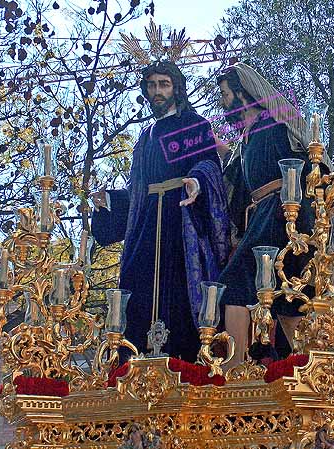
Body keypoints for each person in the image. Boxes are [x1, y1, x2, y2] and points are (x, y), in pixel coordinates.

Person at [90, 61, 230, 361]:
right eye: (152, 85)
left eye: (164, 84)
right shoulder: (145, 137)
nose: (157, 91)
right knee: (137, 286)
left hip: (182, 220)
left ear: (176, 87)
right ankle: (134, 362)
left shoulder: (195, 125)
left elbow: (210, 165)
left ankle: (185, 362)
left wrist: (196, 181)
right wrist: (110, 200)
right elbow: (138, 189)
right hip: (148, 223)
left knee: (181, 288)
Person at [215, 63, 319, 366]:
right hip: (261, 215)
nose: (223, 102)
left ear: (242, 93)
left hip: (279, 213)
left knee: (234, 284)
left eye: (225, 94)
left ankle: (232, 371)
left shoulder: (271, 126)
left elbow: (302, 160)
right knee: (286, 298)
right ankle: (305, 365)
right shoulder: (248, 137)